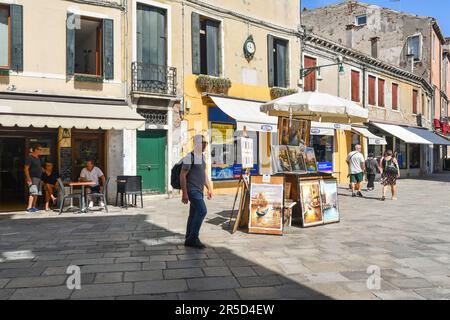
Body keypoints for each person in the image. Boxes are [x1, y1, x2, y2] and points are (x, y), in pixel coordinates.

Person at [180, 134, 213, 249]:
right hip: (192, 190)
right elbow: (182, 175)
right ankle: (193, 238)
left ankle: (189, 237)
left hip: (199, 191)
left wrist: (209, 188)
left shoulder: (202, 157)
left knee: (193, 214)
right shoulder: (190, 156)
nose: (205, 145)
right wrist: (184, 193)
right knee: (202, 211)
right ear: (197, 143)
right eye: (204, 143)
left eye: (206, 143)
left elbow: (203, 174)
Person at [24, 144, 43, 213]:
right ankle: (29, 208)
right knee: (32, 192)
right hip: (33, 177)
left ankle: (34, 207)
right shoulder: (30, 158)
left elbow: (39, 168)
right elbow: (26, 169)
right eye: (40, 149)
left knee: (36, 193)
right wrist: (28, 178)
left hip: (39, 178)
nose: (41, 151)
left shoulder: (38, 158)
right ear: (35, 150)